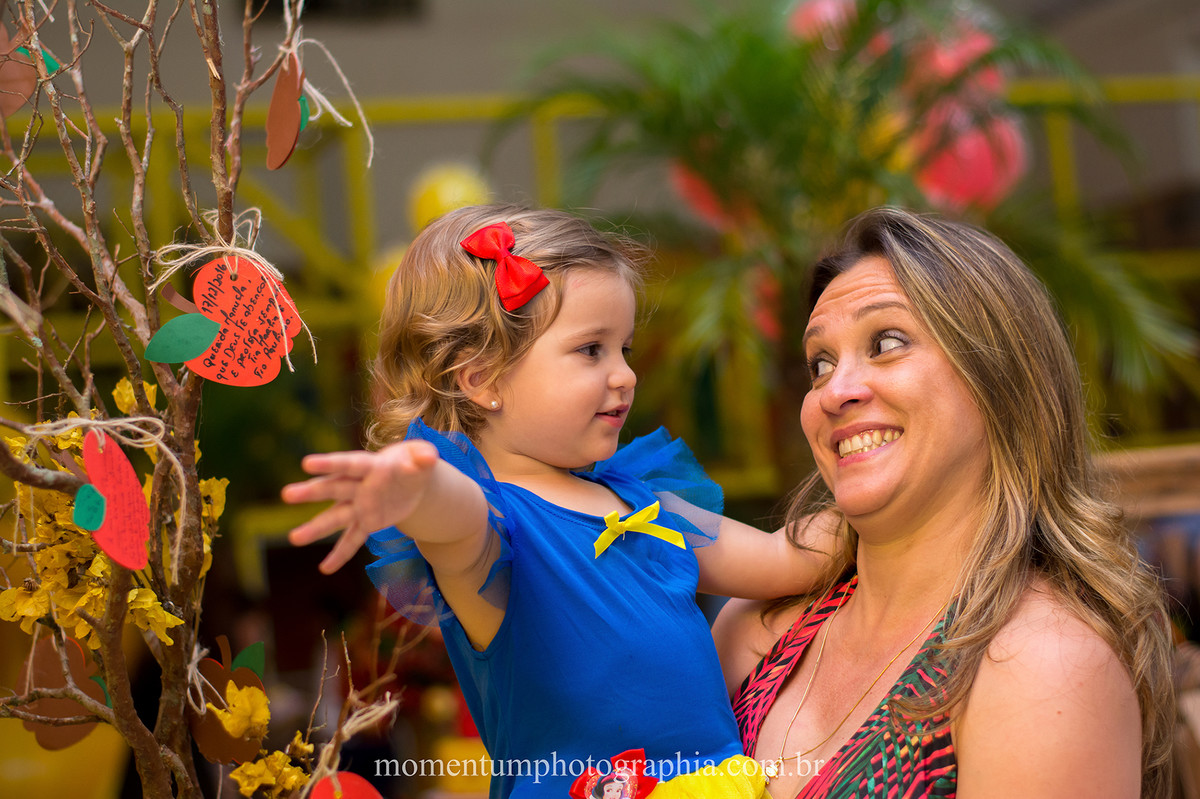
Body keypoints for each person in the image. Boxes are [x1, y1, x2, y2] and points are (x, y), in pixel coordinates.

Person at [282, 204, 830, 799]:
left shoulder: (647, 503)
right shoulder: (495, 526)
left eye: (624, 347)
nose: (625, 375)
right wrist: (415, 488)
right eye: (591, 350)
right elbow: (453, 521)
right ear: (483, 377)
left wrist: (919, 494)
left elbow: (783, 557)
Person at [712, 206, 1175, 799]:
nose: (835, 392)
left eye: (885, 342)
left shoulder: (1042, 668)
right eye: (820, 364)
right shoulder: (759, 628)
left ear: (999, 380)